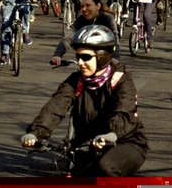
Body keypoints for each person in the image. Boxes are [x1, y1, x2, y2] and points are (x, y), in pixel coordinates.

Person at [21, 26, 149, 177]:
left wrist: (113, 133)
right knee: (76, 171)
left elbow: (124, 110)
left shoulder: (120, 80)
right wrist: (36, 133)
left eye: (86, 57)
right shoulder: (77, 80)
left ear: (102, 56)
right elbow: (56, 106)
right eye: (78, 57)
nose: (80, 63)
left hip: (125, 141)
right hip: (90, 143)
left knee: (106, 168)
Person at [51, 0, 120, 64]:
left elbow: (115, 39)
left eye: (88, 5)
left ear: (98, 6)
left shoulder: (107, 18)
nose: (84, 9)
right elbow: (68, 37)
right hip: (86, 60)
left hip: (104, 61)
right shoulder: (80, 20)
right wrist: (57, 55)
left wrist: (115, 57)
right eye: (82, 6)